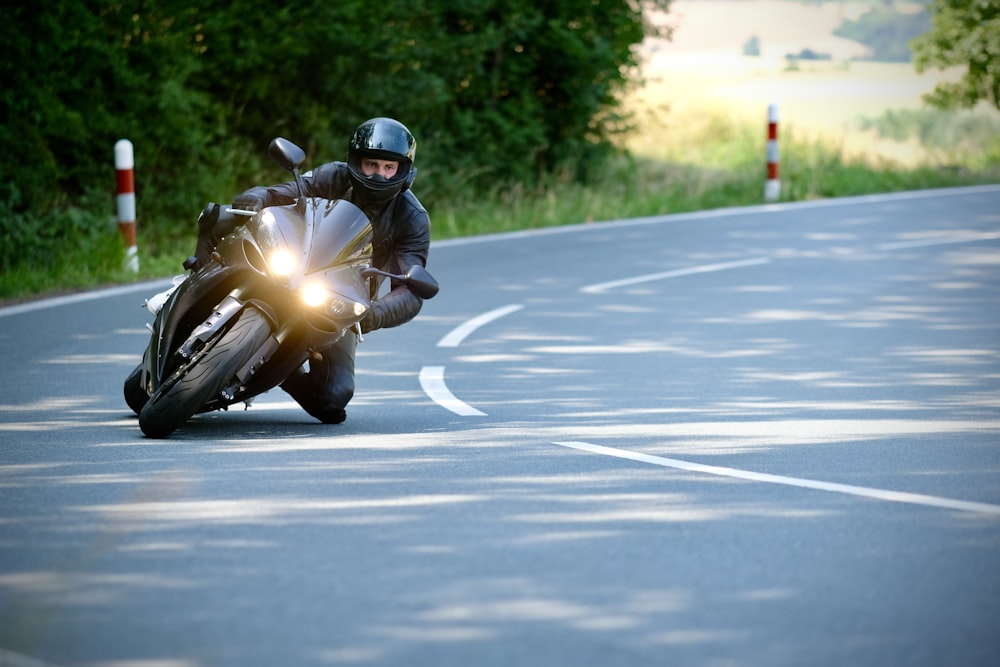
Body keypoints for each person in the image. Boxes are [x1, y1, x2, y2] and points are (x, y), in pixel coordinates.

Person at [187, 117, 431, 424]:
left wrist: (369, 314)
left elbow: (410, 289)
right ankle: (195, 282)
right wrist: (259, 195)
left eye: (388, 167)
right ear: (356, 161)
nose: (379, 175)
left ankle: (280, 369)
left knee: (333, 399)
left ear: (403, 171)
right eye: (371, 164)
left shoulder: (412, 218)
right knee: (219, 216)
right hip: (286, 263)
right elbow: (282, 193)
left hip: (338, 301)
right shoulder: (333, 177)